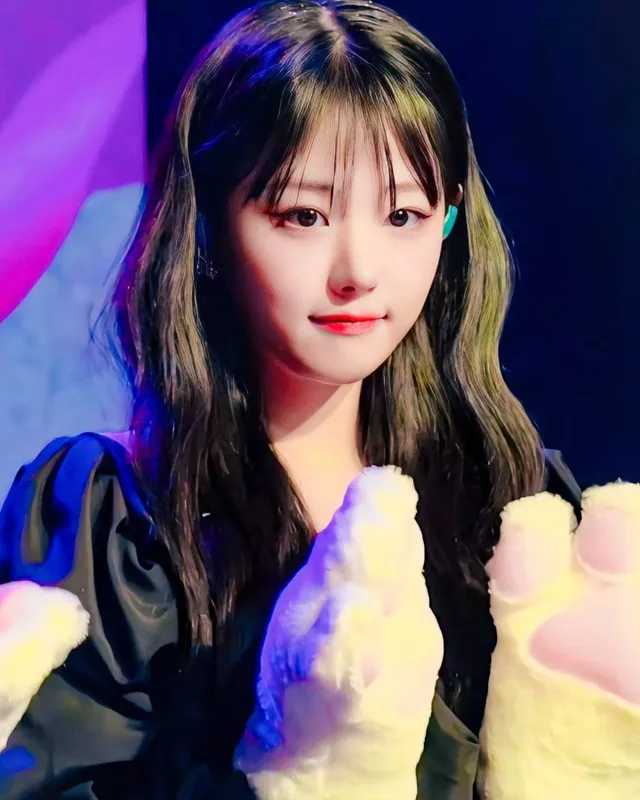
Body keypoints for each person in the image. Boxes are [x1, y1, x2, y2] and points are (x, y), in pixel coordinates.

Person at [0, 1, 585, 797]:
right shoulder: (117, 519)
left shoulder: (513, 497)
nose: (359, 271)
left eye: (403, 215)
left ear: (448, 220)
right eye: (303, 215)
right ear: (208, 227)